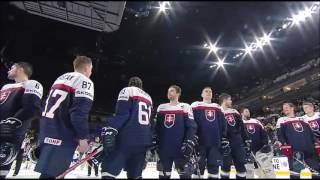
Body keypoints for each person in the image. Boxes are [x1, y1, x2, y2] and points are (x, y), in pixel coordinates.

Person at [35, 56, 94, 178]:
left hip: (46, 129)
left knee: (48, 174)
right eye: (91, 69)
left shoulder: (61, 78)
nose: (91, 72)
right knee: (53, 175)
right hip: (62, 133)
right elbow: (78, 114)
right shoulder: (85, 81)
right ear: (87, 67)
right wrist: (83, 137)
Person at [101, 77, 153, 179]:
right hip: (143, 142)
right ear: (141, 86)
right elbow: (150, 122)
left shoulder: (127, 90)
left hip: (126, 139)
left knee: (108, 172)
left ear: (130, 84)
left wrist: (111, 129)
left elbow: (122, 114)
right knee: (135, 175)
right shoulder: (149, 98)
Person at [0, 62, 43, 178]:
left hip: (9, 135)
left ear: (20, 69)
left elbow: (32, 107)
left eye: (12, 67)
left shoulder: (32, 84)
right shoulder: (5, 87)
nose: (9, 70)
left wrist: (13, 121)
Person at [154, 85, 198, 179]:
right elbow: (156, 127)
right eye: (168, 91)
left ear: (178, 93)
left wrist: (189, 142)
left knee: (185, 176)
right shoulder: (161, 107)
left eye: (172, 91)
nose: (169, 93)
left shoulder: (185, 107)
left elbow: (191, 126)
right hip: (164, 149)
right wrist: (154, 140)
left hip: (181, 148)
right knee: (163, 176)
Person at [190, 87, 227, 179]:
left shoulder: (218, 107)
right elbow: (190, 122)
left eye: (210, 91)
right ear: (202, 94)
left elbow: (223, 124)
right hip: (199, 142)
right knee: (198, 168)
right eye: (206, 91)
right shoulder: (195, 105)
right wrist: (191, 136)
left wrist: (224, 137)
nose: (209, 93)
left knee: (214, 169)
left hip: (215, 143)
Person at [275, 102, 320, 178]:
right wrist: (285, 146)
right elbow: (280, 135)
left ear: (292, 108)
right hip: (294, 149)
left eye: (286, 107)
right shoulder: (281, 120)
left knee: (315, 169)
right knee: (296, 172)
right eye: (283, 108)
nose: (284, 109)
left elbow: (310, 132)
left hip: (309, 148)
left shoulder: (303, 119)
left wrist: (316, 142)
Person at [219, 93, 249, 179]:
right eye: (230, 99)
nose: (231, 101)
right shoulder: (217, 111)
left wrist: (246, 139)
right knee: (225, 167)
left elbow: (242, 127)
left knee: (241, 167)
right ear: (225, 100)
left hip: (237, 142)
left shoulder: (234, 112)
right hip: (224, 142)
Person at [240, 107, 275, 178]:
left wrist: (265, 143)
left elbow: (264, 133)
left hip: (259, 149)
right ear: (242, 113)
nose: (248, 112)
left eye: (248, 111)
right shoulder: (240, 123)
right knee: (249, 170)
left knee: (266, 168)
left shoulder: (256, 121)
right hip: (247, 151)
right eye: (246, 111)